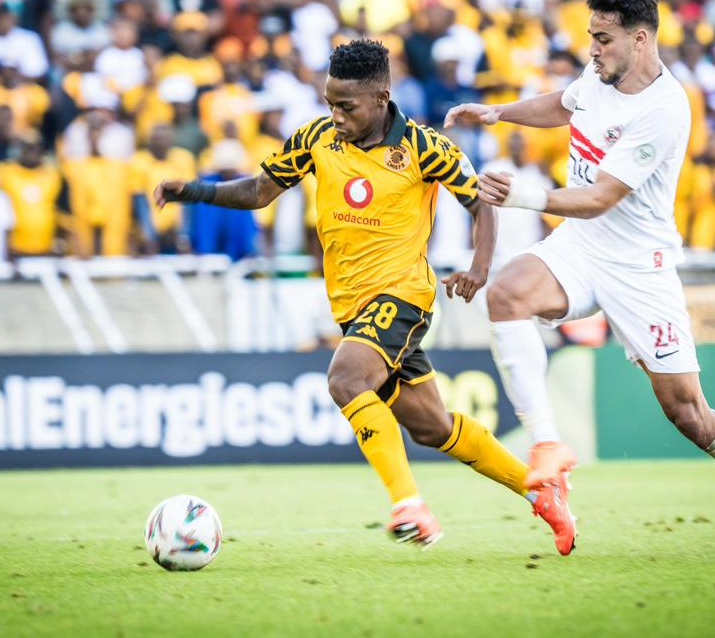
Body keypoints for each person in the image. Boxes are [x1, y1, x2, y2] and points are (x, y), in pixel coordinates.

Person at [156, 38, 575, 552]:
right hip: (352, 308)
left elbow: (480, 202)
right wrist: (194, 191)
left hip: (403, 296)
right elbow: (259, 191)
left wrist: (479, 268)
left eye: (346, 106)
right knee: (432, 427)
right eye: (330, 103)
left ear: (381, 98)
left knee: (346, 379)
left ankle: (409, 506)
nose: (336, 115)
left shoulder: (424, 146)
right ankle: (542, 494)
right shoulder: (316, 138)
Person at [446, 0, 715, 556]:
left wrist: (523, 196)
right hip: (581, 245)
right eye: (591, 36)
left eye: (603, 38)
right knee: (506, 295)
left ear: (641, 39)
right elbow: (564, 104)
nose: (592, 48)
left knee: (689, 414)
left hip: (640, 267)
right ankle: (547, 450)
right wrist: (499, 113)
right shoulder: (600, 74)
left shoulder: (665, 108)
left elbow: (600, 196)